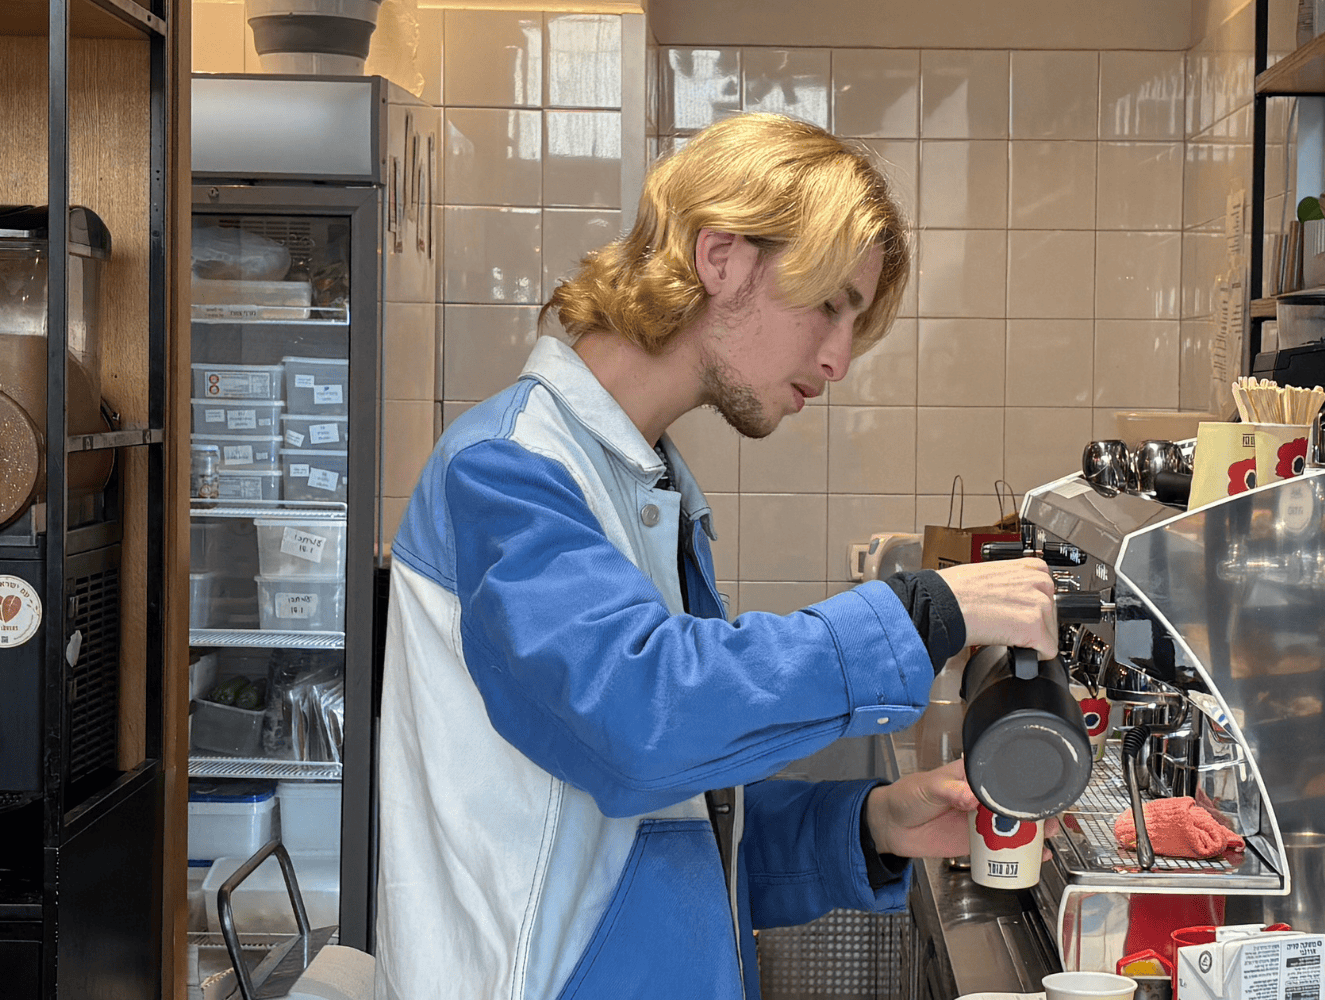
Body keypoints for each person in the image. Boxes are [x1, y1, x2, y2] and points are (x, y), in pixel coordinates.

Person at [373, 112, 1060, 1000]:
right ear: (722, 258)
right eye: (829, 305)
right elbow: (640, 724)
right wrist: (922, 613)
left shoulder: (644, 485)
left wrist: (868, 823)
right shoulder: (508, 472)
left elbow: (669, 836)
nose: (840, 358)